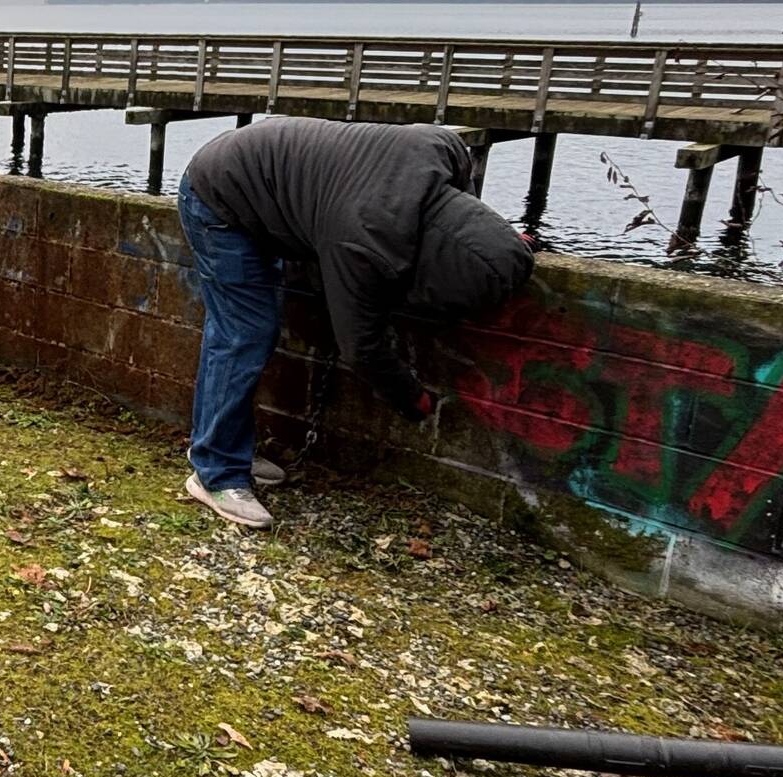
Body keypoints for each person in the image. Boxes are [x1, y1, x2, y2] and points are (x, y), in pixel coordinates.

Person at [177, 117, 534, 528]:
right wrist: (411, 398)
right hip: (218, 194)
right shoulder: (362, 241)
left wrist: (495, 245)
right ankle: (215, 472)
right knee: (244, 332)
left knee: (239, 330)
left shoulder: (442, 146)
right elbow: (361, 345)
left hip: (270, 173)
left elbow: (464, 203)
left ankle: (218, 445)